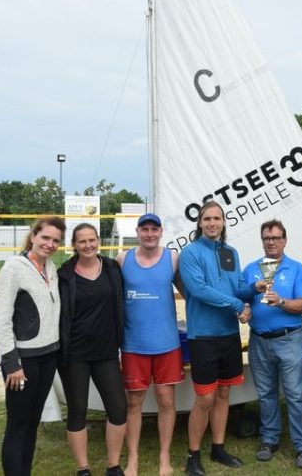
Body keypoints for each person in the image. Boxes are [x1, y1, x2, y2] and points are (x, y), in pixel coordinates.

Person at [178, 202, 261, 476]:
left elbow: (237, 287)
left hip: (229, 335)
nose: (212, 223)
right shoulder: (189, 253)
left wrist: (253, 289)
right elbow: (199, 290)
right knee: (205, 398)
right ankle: (193, 455)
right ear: (200, 223)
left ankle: (218, 446)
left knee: (224, 393)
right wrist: (238, 306)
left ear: (224, 222)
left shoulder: (230, 253)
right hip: (203, 336)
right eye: (207, 219)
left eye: (217, 218)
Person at [0, 215, 66, 475]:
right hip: (22, 360)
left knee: (33, 422)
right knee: (18, 424)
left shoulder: (50, 268)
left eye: (56, 240)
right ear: (33, 236)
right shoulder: (14, 267)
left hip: (48, 356)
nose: (50, 244)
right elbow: (2, 320)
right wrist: (11, 362)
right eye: (45, 237)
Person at [116, 213, 184, 476]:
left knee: (166, 400)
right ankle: (132, 459)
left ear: (161, 232)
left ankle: (164, 457)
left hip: (167, 343)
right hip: (134, 344)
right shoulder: (123, 259)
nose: (149, 234)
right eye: (144, 229)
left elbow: (191, 292)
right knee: (134, 402)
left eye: (154, 229)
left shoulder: (172, 258)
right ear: (137, 231)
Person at [58, 223, 127, 476]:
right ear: (73, 245)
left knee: (118, 409)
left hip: (106, 352)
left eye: (91, 240)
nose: (87, 245)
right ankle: (83, 468)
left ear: (99, 240)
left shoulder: (111, 268)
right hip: (74, 355)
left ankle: (113, 465)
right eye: (81, 241)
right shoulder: (64, 275)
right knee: (78, 411)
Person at [243, 220, 302, 469]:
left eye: (275, 237)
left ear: (285, 240)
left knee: (296, 395)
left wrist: (282, 302)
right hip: (259, 340)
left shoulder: (296, 269)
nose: (271, 242)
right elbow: (241, 297)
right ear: (262, 241)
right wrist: (246, 308)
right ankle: (269, 439)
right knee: (266, 395)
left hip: (289, 339)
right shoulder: (251, 269)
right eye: (266, 238)